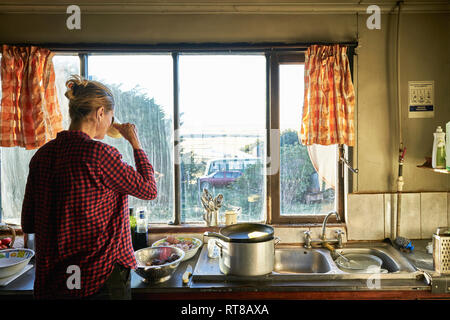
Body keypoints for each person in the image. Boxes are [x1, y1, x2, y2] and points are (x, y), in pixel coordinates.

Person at [21, 75, 157, 300]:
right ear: (100, 112)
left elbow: (28, 223)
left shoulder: (41, 156)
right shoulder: (99, 155)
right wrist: (135, 143)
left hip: (53, 281)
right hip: (98, 277)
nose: (111, 123)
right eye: (110, 117)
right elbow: (149, 189)